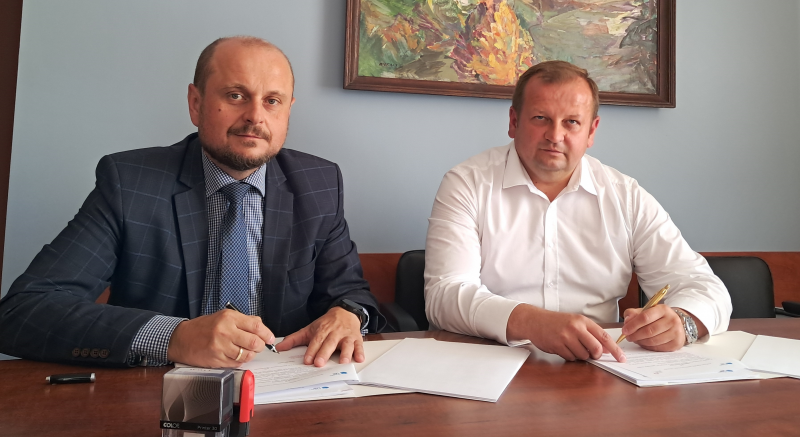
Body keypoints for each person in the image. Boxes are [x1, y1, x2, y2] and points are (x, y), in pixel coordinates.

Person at [0, 36, 384, 369]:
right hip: (156, 393)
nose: (255, 116)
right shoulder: (130, 183)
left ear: (287, 111)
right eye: (236, 96)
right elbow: (24, 311)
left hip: (287, 391)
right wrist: (174, 337)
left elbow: (350, 293)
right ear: (196, 103)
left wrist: (348, 315)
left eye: (272, 101)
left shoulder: (319, 184)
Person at [424, 61, 731, 363]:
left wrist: (683, 322)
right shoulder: (467, 184)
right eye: (541, 118)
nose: (555, 135)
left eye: (571, 122)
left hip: (600, 367)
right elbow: (444, 295)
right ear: (514, 121)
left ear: (591, 131)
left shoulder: (625, 196)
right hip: (490, 364)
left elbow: (704, 287)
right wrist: (531, 322)